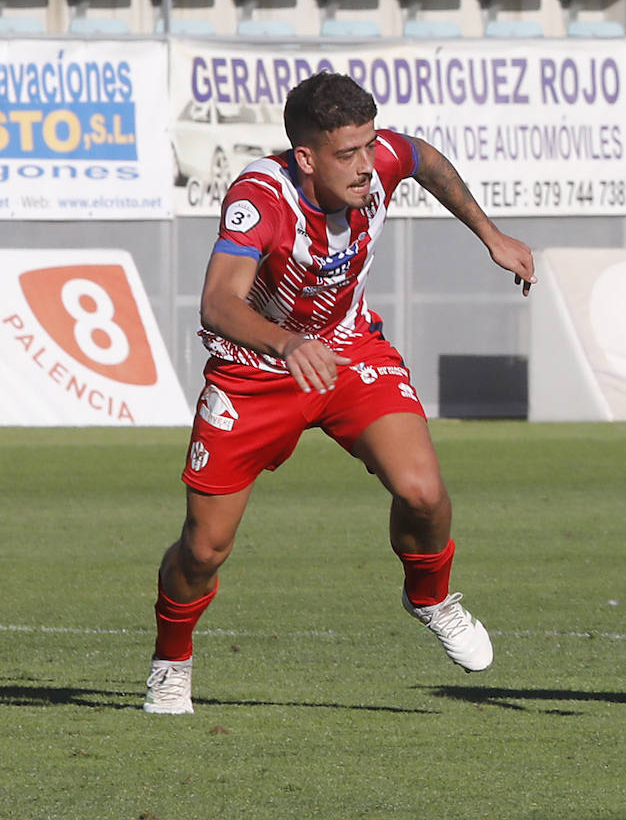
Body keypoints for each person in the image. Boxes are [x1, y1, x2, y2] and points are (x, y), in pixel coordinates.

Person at [144, 72, 537, 714]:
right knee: (205, 545)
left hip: (348, 352)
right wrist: (287, 344)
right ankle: (171, 659)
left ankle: (430, 595)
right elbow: (218, 301)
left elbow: (426, 160)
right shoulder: (261, 198)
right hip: (256, 369)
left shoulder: (378, 160)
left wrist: (490, 234)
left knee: (423, 490)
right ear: (306, 156)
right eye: (346, 154)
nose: (365, 167)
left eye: (367, 146)